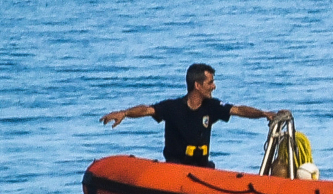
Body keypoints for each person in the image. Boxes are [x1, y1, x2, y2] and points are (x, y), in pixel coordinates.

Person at [101, 63, 285, 169]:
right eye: (210, 82)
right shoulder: (172, 107)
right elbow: (147, 110)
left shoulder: (212, 107)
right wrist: (124, 113)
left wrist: (263, 114)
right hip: (176, 169)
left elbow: (238, 110)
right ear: (198, 85)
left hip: (202, 170)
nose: (214, 86)